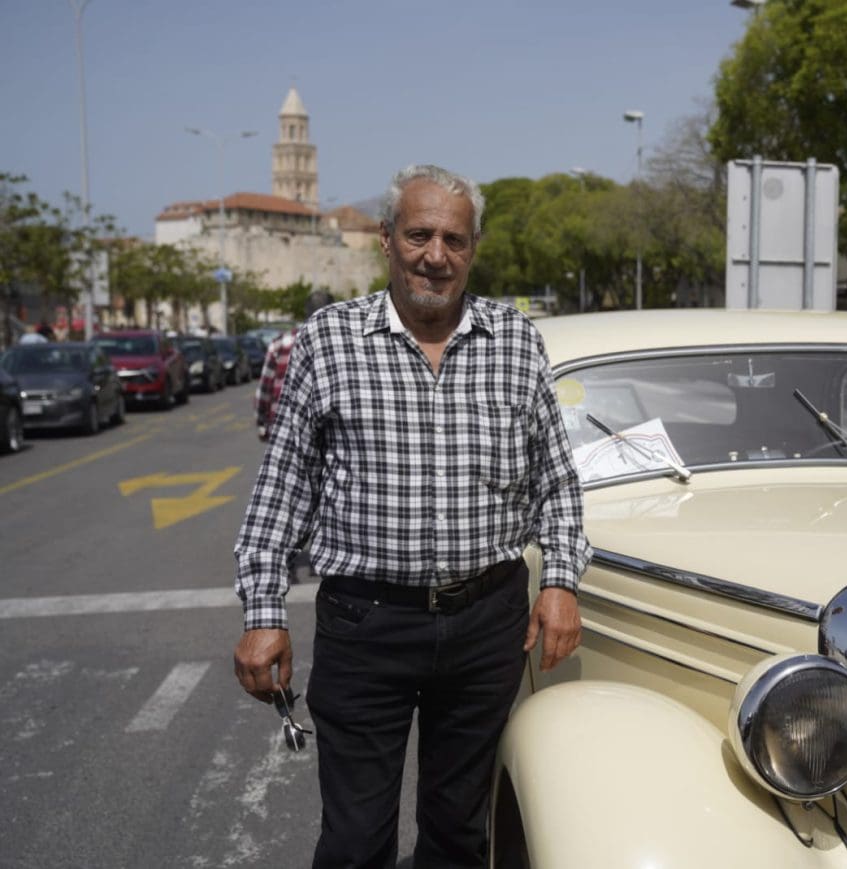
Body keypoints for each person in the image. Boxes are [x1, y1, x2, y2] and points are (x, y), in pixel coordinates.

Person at [232, 163, 591, 868]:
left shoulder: (515, 340)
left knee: (459, 834)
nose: (436, 255)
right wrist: (262, 613)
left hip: (485, 625)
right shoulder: (330, 339)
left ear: (473, 248)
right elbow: (282, 487)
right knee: (355, 841)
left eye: (454, 239)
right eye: (419, 235)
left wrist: (560, 581)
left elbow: (556, 479)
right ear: (387, 240)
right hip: (365, 626)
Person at [254, 289, 334, 441]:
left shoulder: (280, 344)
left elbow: (264, 390)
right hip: (329, 434)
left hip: (284, 430)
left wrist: (262, 422)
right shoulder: (342, 345)